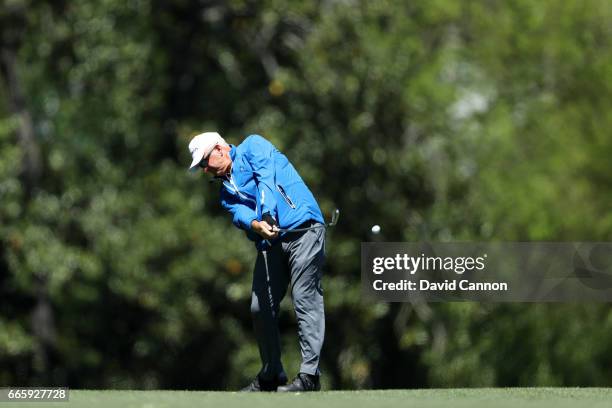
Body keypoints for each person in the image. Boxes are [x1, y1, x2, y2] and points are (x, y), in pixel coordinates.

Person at [188, 131, 326, 392]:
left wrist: (267, 216)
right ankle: (272, 374)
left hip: (303, 228)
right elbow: (238, 213)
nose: (205, 170)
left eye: (205, 162)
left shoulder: (253, 146)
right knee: (259, 307)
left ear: (219, 148)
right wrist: (256, 224)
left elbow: (267, 180)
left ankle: (309, 376)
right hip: (270, 242)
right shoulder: (225, 193)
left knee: (305, 299)